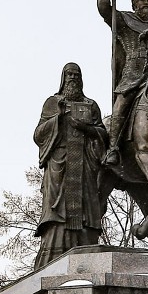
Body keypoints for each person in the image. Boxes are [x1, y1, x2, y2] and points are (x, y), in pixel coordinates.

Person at [34, 63, 108, 269]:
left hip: (84, 165)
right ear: (63, 78)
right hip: (61, 164)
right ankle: (55, 253)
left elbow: (103, 135)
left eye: (76, 75)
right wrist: (59, 118)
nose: (73, 78)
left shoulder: (90, 105)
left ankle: (84, 248)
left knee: (85, 212)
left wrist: (86, 128)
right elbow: (38, 134)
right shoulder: (52, 103)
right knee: (60, 210)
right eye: (69, 75)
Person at [94, 0, 148, 165]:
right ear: (134, 4)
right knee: (121, 105)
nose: (145, 3)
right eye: (141, 1)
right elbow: (104, 8)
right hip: (132, 74)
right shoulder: (125, 21)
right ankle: (113, 148)